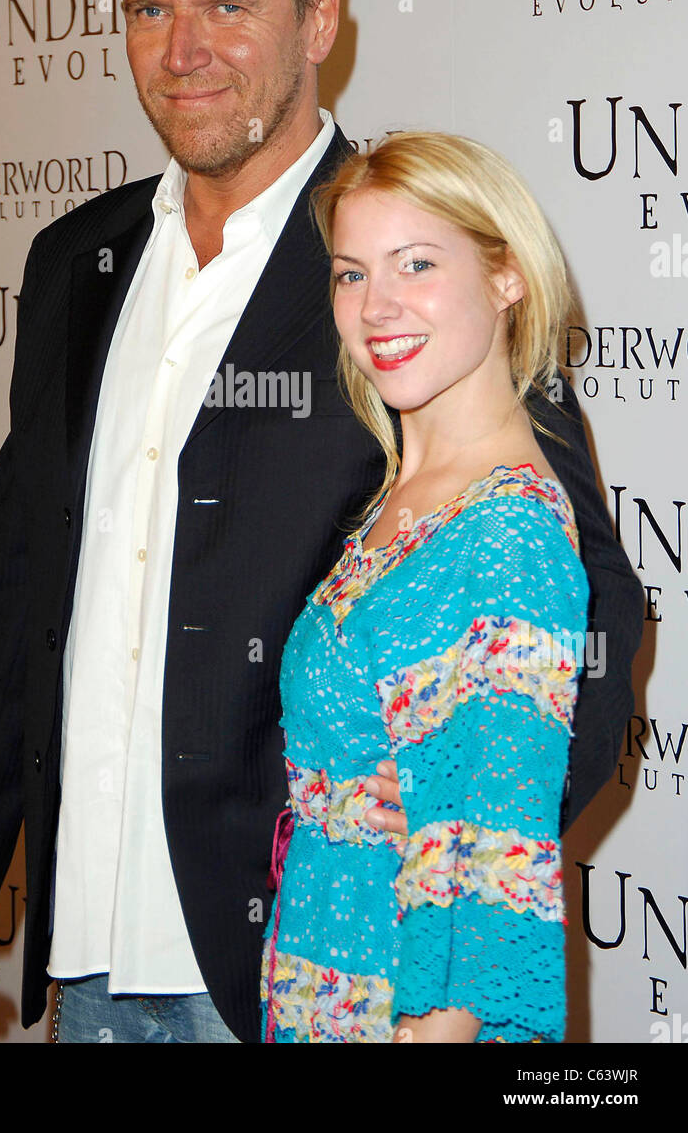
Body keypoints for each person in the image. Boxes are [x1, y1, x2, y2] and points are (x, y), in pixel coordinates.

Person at [0, 0, 641, 1046]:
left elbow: (582, 627)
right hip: (86, 945)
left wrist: (433, 908)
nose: (181, 49)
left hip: (297, 963)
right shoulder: (72, 265)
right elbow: (27, 578)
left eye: (225, 5)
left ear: (319, 16)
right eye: (149, 7)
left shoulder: (416, 263)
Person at [260, 131, 600, 1043]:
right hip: (327, 983)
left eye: (415, 264)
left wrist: (442, 1025)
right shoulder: (400, 497)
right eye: (350, 274)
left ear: (506, 276)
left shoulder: (503, 533)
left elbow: (493, 843)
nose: (377, 306)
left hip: (404, 1014)